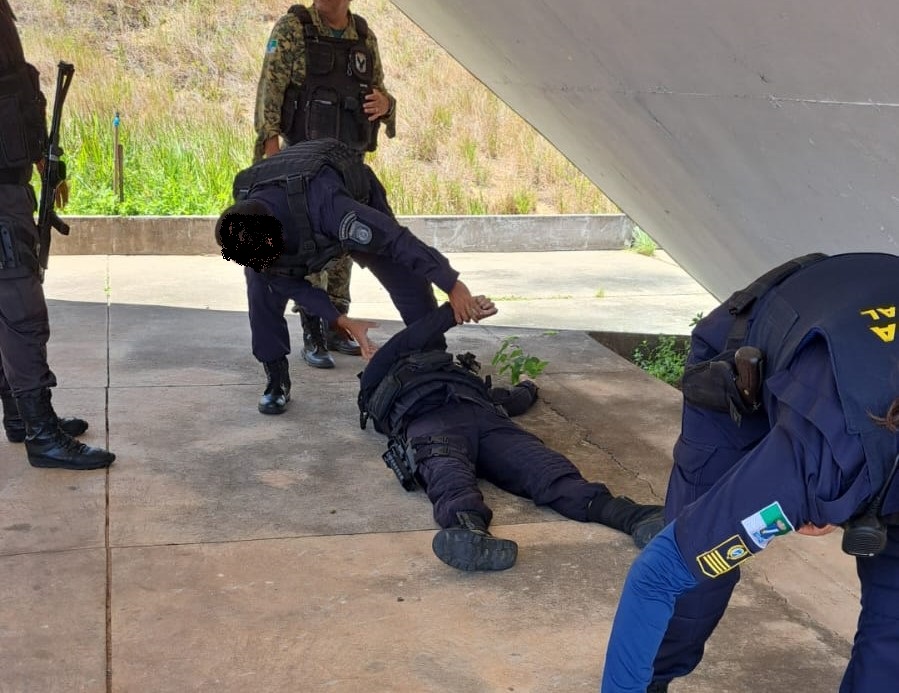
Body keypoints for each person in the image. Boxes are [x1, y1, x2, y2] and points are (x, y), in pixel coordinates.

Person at [602, 252, 899, 693]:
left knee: (892, 639)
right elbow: (656, 576)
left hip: (847, 336)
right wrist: (808, 493)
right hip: (744, 359)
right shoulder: (827, 453)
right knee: (693, 586)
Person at [356, 299, 666, 571]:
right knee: (446, 469)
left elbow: (503, 399)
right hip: (430, 420)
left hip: (486, 418)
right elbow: (405, 340)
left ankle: (633, 516)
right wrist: (455, 310)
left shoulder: (456, 372)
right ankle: (468, 531)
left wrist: (527, 390)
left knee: (543, 468)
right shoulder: (376, 377)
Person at [216, 137, 487, 416]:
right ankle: (276, 379)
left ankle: (432, 357)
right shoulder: (247, 227)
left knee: (403, 275)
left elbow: (396, 240)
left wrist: (452, 284)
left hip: (347, 194)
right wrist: (340, 319)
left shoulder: (330, 207)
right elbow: (285, 281)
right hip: (286, 225)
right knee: (260, 286)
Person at [0, 0, 115, 470]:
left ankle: (18, 416)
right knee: (22, 308)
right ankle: (41, 433)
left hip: (11, 181)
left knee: (8, 307)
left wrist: (45, 154)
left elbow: (15, 89)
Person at [254, 0, 397, 369]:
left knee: (344, 244)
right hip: (302, 163)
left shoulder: (363, 36)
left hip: (347, 163)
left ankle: (338, 325)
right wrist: (270, 152)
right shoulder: (294, 29)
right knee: (308, 245)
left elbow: (379, 93)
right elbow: (271, 89)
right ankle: (313, 330)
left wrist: (386, 104)